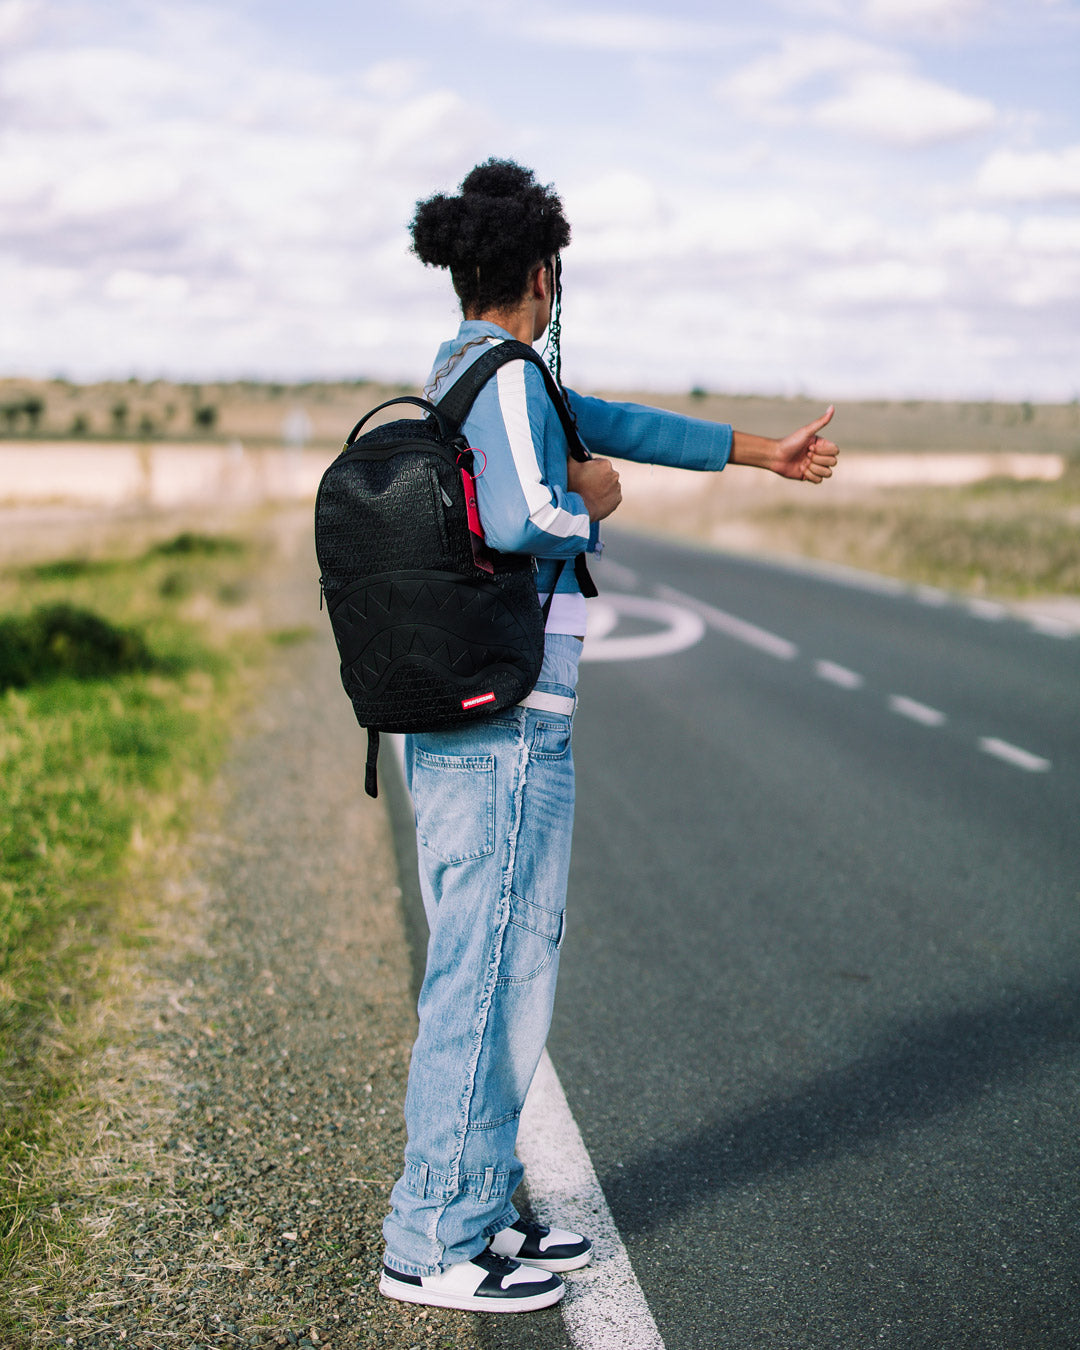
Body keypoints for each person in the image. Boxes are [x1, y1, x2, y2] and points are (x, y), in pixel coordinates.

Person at [379, 159, 839, 1315]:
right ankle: (431, 1238)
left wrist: (754, 451)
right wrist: (595, 500)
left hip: (495, 715)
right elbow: (536, 510)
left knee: (506, 970)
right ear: (543, 274)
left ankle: (476, 1209)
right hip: (507, 723)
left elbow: (620, 422)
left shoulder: (473, 368)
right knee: (485, 975)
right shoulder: (507, 378)